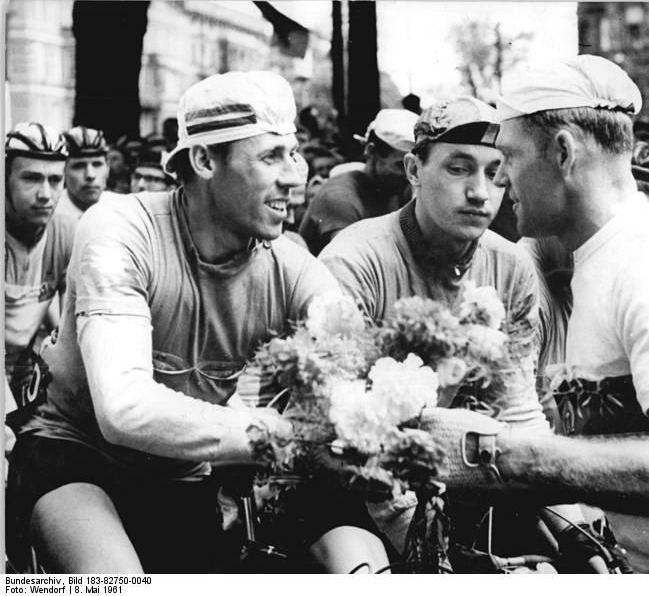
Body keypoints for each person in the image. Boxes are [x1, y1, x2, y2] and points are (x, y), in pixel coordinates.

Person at [420, 55, 649, 573]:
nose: (500, 177)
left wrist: (492, 452)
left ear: (563, 152)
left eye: (509, 155)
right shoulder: (613, 255)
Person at [5, 71, 389, 574]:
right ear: (204, 160)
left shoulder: (292, 268)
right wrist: (278, 431)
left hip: (182, 473)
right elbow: (124, 411)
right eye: (271, 156)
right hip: (75, 455)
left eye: (293, 154)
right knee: (113, 582)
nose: (294, 176)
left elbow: (359, 387)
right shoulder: (121, 227)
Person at [320, 97, 601, 568]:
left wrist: (575, 530)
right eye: (458, 168)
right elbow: (346, 435)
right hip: (358, 494)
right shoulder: (353, 262)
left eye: (495, 172)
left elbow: (517, 408)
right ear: (413, 170)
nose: (480, 192)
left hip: (469, 486)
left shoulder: (510, 266)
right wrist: (443, 555)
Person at [4, 122, 72, 457]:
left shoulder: (66, 232)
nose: (45, 193)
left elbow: (69, 331)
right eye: (31, 178)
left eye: (55, 180)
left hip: (24, 375)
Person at [299, 108, 417, 255]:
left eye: (414, 167)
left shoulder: (394, 189)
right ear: (371, 151)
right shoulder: (339, 196)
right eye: (400, 165)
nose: (409, 176)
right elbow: (349, 261)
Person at [55, 125, 112, 221]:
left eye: (97, 164)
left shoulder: (120, 210)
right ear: (63, 171)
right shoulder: (51, 215)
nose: (90, 175)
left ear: (108, 168)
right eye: (79, 166)